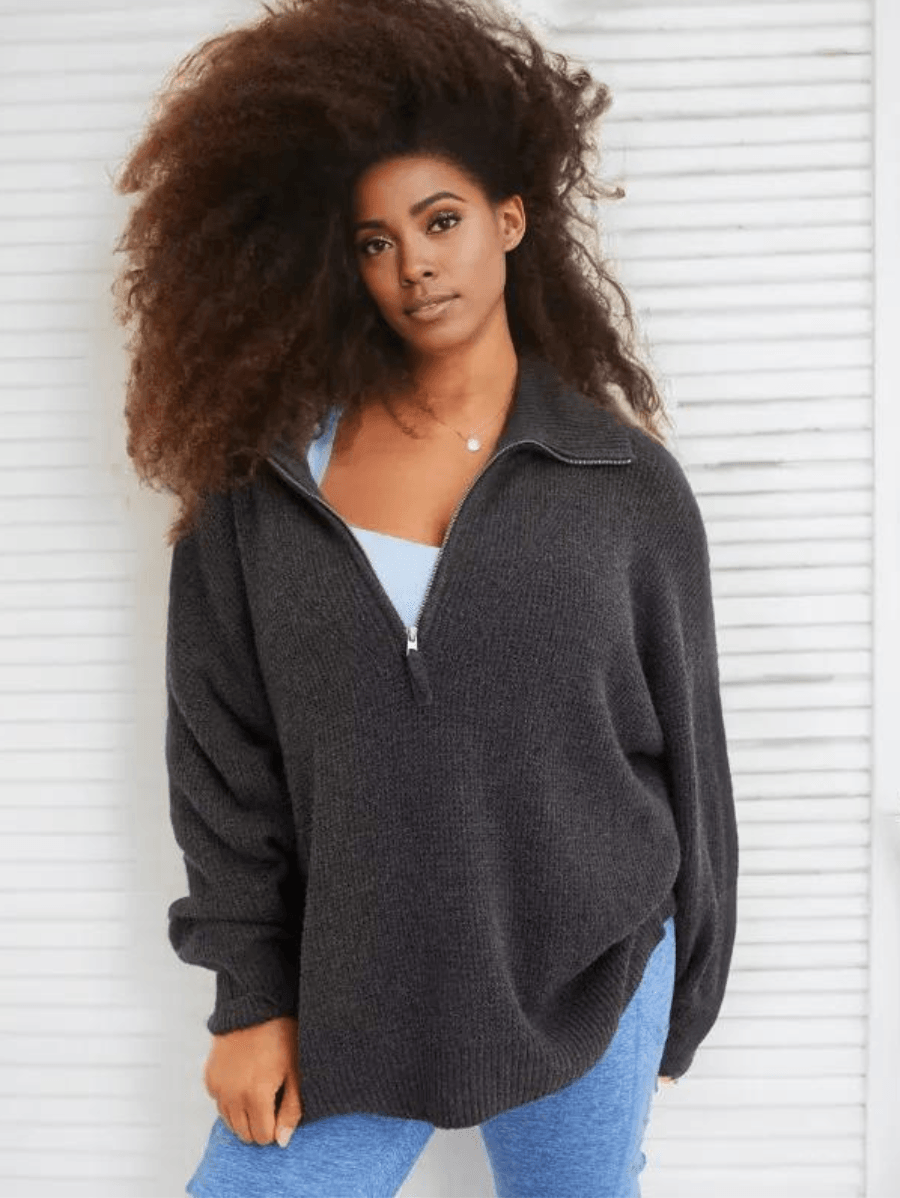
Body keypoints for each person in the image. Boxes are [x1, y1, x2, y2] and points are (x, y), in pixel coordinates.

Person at [111, 1, 739, 1194]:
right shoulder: (258, 493)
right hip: (355, 990)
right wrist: (248, 998)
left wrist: (684, 999)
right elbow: (223, 763)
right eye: (374, 240)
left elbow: (689, 758)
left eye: (441, 219)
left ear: (510, 219)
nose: (414, 264)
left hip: (595, 971)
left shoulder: (622, 482)